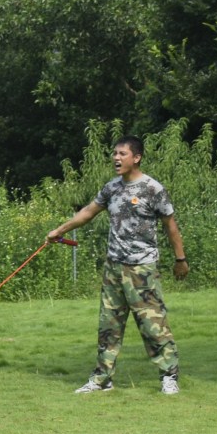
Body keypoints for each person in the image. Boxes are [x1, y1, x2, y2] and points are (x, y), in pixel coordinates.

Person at [47, 135, 187, 395]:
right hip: (113, 268)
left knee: (152, 325)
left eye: (122, 154)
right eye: (114, 154)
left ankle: (169, 375)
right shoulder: (111, 188)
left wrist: (181, 260)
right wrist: (60, 230)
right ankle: (102, 379)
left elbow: (171, 226)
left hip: (142, 268)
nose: (116, 158)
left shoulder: (153, 189)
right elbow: (88, 212)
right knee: (108, 325)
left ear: (137, 157)